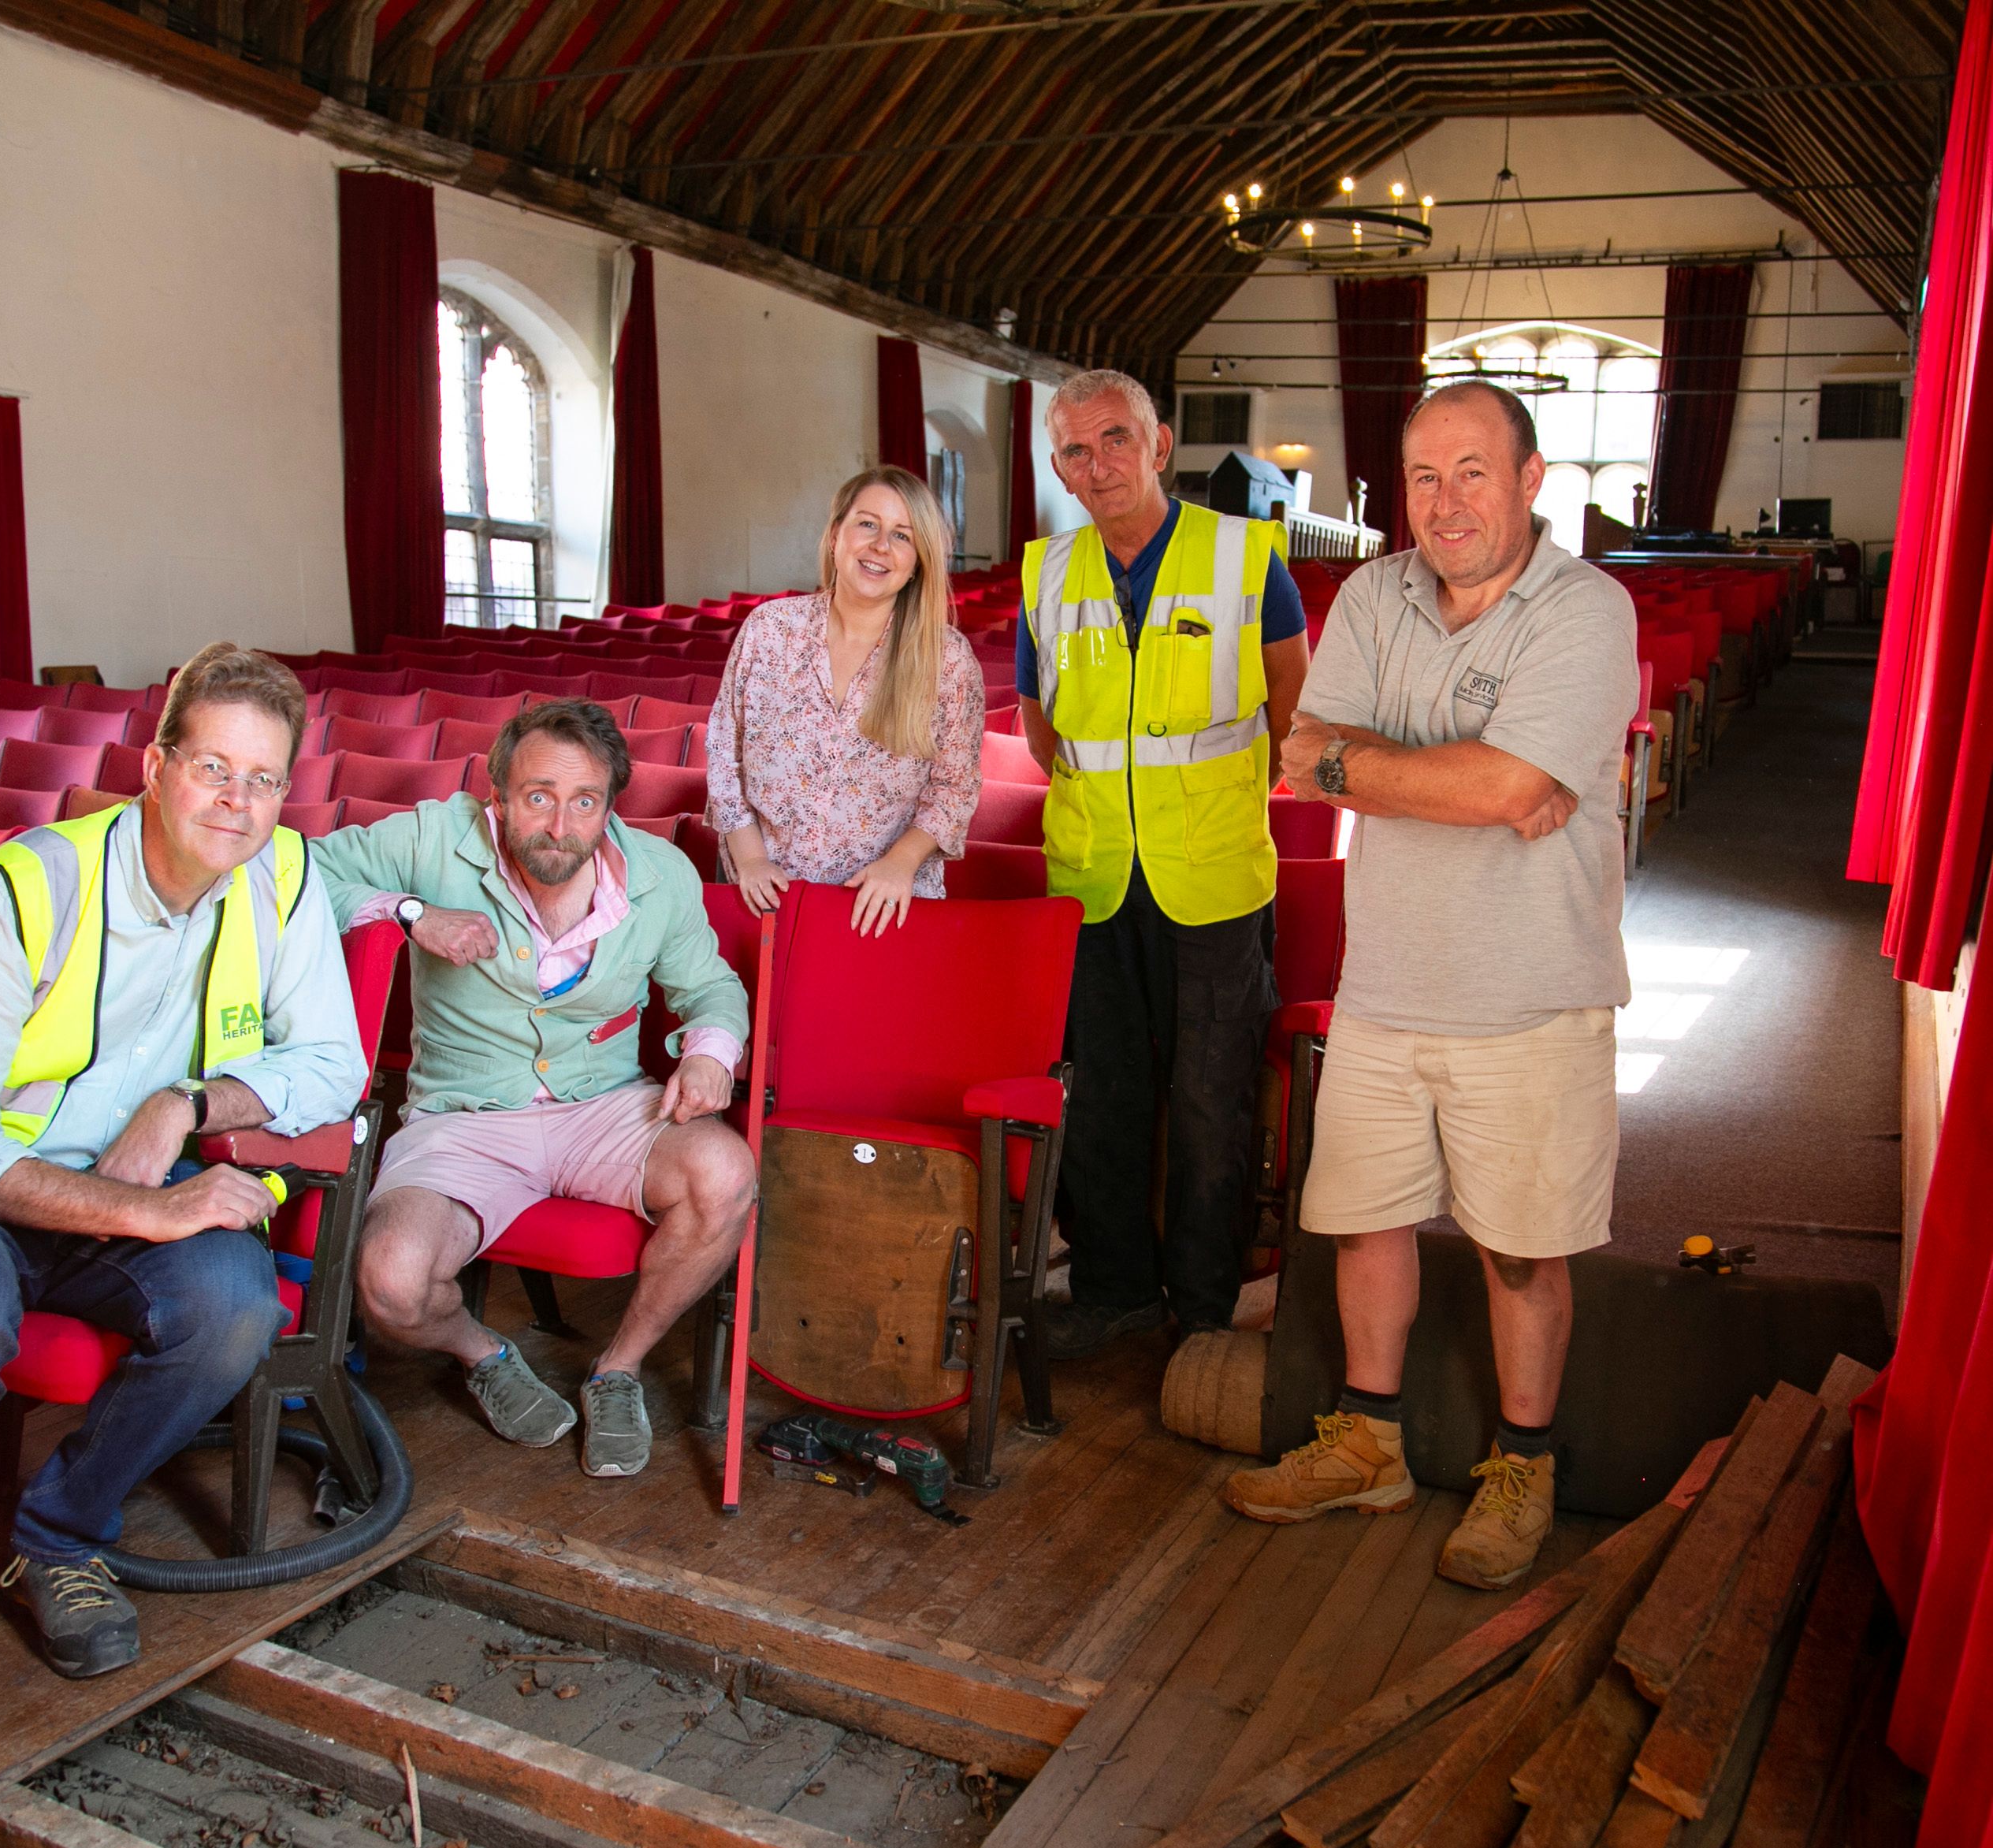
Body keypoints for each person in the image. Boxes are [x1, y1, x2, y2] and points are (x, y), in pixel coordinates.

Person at [0, 642, 368, 1744]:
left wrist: (188, 1103)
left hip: (118, 1182)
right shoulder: (30, 886)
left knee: (235, 1305)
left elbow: (334, 1065)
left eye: (264, 779)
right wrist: (149, 1211)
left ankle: (58, 1534)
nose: (238, 802)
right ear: (157, 763)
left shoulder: (286, 879)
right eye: (214, 768)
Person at [1221, 379, 1639, 1591]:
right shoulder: (1370, 595)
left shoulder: (1588, 609)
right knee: (1368, 1220)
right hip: (1387, 986)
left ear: (1530, 481)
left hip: (1530, 993)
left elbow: (1493, 789)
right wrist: (1474, 778)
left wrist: (1411, 770)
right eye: (1421, 477)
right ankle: (1368, 1441)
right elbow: (1305, 758)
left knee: (1522, 1249)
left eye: (1471, 472)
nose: (1445, 503)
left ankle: (1524, 1464)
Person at [307, 699, 756, 1478]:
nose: (559, 825)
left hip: (606, 1110)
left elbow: (711, 991)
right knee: (388, 1282)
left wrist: (712, 1055)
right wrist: (409, 912)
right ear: (500, 793)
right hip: (463, 1120)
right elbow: (299, 870)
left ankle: (619, 1368)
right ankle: (482, 1353)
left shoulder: (660, 875)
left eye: (584, 802)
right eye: (539, 797)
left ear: (611, 804)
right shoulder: (433, 837)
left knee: (727, 1172)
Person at [1016, 369, 1311, 1358]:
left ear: (1159, 443)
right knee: (1100, 1098)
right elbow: (1042, 730)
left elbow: (1290, 709)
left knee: (1211, 1101)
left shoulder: (1245, 554)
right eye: (1072, 450)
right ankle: (1113, 1292)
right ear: (1057, 465)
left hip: (1215, 876)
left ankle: (1206, 1304)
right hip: (1093, 876)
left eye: (1112, 441)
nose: (1094, 466)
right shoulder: (1046, 573)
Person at [705, 466, 985, 937]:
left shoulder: (948, 660)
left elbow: (954, 790)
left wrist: (901, 863)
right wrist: (750, 858)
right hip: (764, 896)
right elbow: (722, 752)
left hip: (881, 906)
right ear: (836, 535)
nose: (880, 547)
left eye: (903, 535)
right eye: (868, 524)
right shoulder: (769, 630)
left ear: (918, 561)